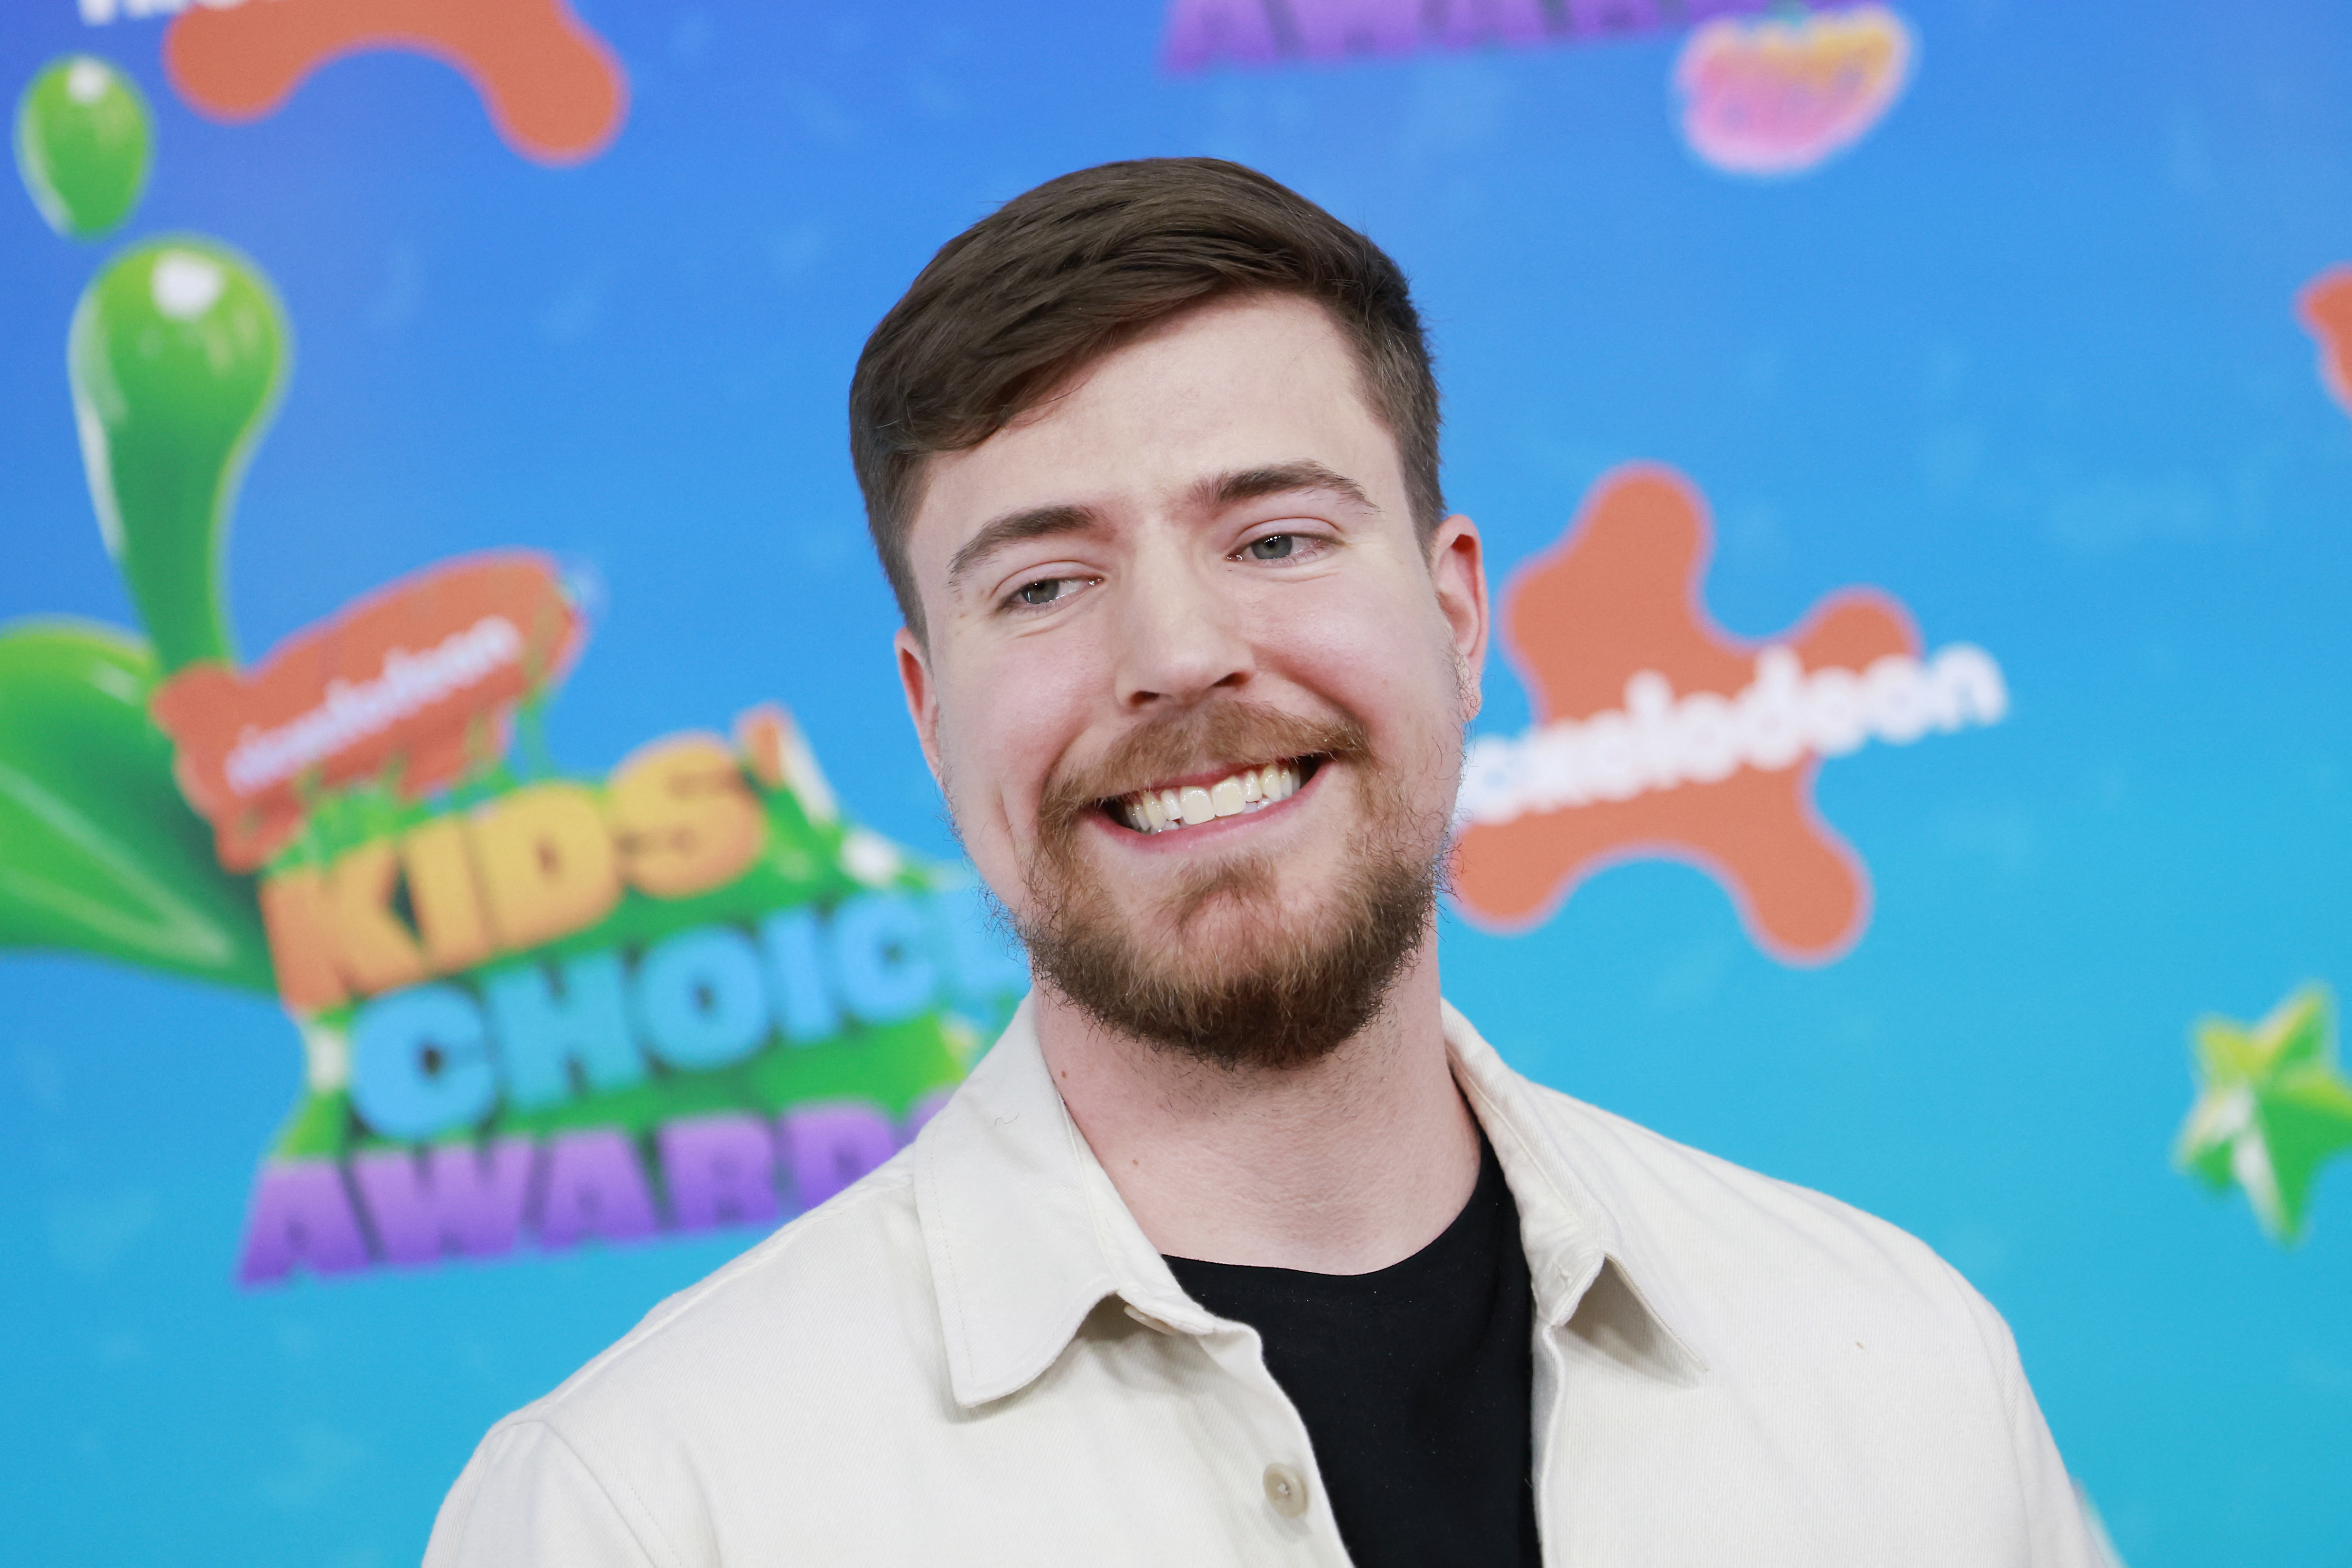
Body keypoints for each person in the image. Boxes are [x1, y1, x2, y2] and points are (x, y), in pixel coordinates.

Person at [426, 158, 2100, 1567]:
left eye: (1276, 538)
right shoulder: (639, 1511)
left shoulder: (1902, 1378)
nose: (1178, 654)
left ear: (1454, 611)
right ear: (931, 719)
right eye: (1042, 585)